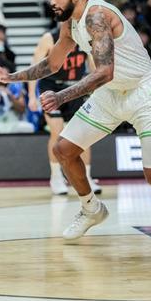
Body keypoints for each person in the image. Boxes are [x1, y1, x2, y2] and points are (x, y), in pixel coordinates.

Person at [0, 0, 151, 245]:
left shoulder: (97, 16)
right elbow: (53, 63)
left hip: (145, 92)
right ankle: (91, 208)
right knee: (63, 149)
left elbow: (104, 71)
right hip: (112, 92)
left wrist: (62, 95)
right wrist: (10, 77)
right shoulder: (70, 22)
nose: (52, 1)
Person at [27, 27, 101, 195]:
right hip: (52, 88)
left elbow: (94, 66)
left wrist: (98, 88)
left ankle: (87, 177)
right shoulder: (49, 38)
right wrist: (31, 96)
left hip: (75, 88)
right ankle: (56, 177)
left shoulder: (84, 37)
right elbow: (34, 68)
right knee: (57, 132)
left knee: (83, 134)